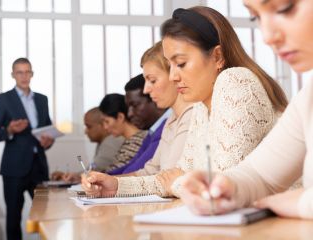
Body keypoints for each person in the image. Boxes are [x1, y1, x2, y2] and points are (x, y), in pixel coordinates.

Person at [81, 6, 288, 198]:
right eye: (170, 66)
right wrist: (116, 186)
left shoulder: (235, 80)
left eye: (180, 63)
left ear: (217, 56)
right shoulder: (201, 106)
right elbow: (176, 174)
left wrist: (176, 183)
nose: (173, 76)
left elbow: (220, 189)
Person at [179, 0, 313, 220]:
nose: (267, 36)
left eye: (284, 8)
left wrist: (302, 203)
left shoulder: (234, 81)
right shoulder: (309, 98)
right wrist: (227, 187)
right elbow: (261, 175)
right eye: (256, 17)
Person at [0, 58, 54, 240]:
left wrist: (49, 141)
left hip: (39, 167)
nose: (24, 76)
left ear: (32, 74)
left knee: (45, 216)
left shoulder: (42, 99)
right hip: (14, 169)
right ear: (13, 75)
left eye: (27, 72)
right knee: (14, 217)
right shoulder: (3, 100)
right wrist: (9, 130)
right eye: (19, 72)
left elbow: (47, 129)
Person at [109, 41, 195, 177]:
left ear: (175, 75)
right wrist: (108, 182)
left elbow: (168, 177)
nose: (146, 89)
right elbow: (150, 171)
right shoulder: (171, 120)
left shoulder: (192, 117)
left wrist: (114, 183)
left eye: (153, 80)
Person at [107, 73, 170, 175]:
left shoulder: (166, 127)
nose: (130, 113)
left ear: (154, 99)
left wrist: (108, 180)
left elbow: (138, 168)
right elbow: (133, 164)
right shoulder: (152, 132)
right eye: (128, 108)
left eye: (135, 105)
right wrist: (103, 177)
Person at [51, 107, 124, 180]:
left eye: (89, 126)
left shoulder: (111, 141)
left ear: (103, 125)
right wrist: (72, 175)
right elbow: (93, 170)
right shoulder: (104, 141)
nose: (85, 131)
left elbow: (96, 170)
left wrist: (74, 176)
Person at [99, 93, 147, 172]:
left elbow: (115, 172)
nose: (105, 127)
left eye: (107, 121)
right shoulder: (133, 139)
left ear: (120, 117)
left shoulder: (136, 141)